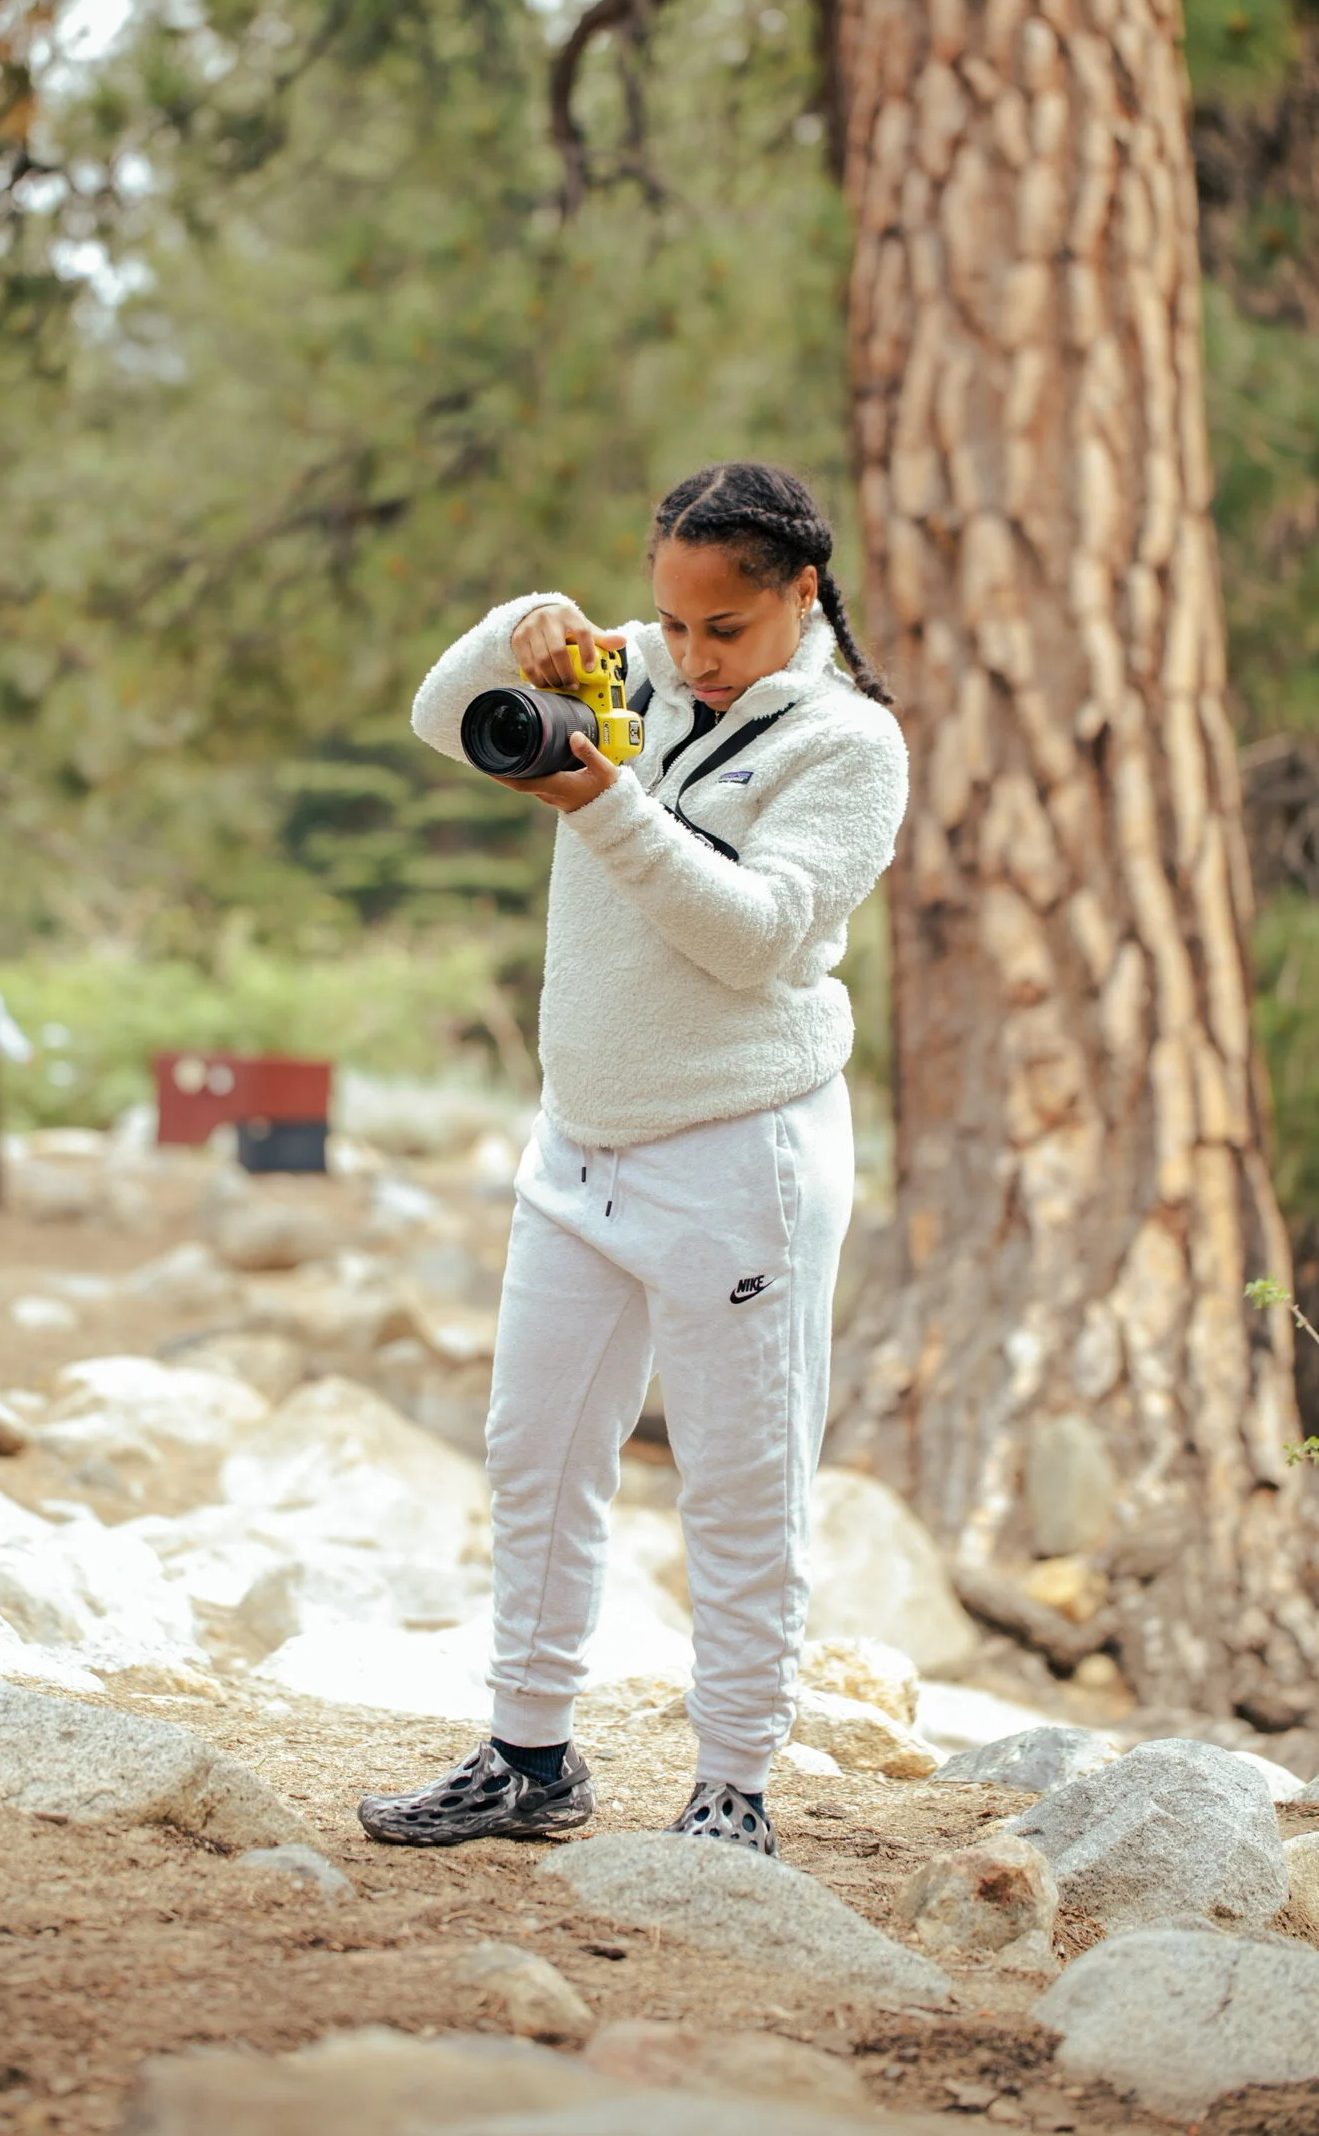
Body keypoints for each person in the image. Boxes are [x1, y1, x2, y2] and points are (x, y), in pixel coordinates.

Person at [358, 462, 908, 1855]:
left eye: (723, 629)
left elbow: (750, 932)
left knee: (739, 1479)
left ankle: (733, 1789)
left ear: (800, 595)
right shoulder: (646, 670)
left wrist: (599, 796)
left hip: (740, 1157)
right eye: (670, 623)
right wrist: (527, 629)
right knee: (536, 1455)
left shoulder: (846, 747)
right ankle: (528, 1757)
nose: (690, 657)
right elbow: (441, 717)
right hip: (578, 1144)